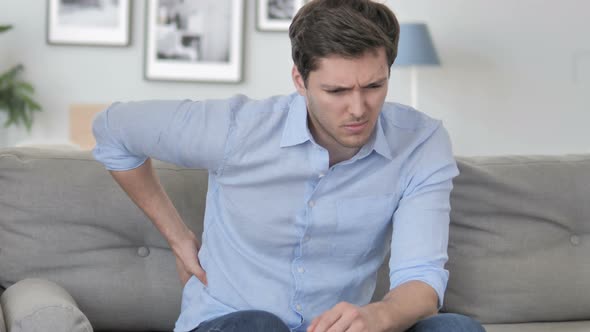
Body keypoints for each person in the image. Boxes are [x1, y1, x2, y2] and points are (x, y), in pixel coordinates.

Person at [92, 1, 485, 331]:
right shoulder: (235, 129)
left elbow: (421, 279)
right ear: (300, 79)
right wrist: (177, 237)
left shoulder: (421, 142)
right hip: (232, 323)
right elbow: (111, 129)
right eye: (336, 91)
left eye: (373, 86)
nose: (358, 109)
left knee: (455, 328)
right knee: (259, 325)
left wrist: (377, 315)